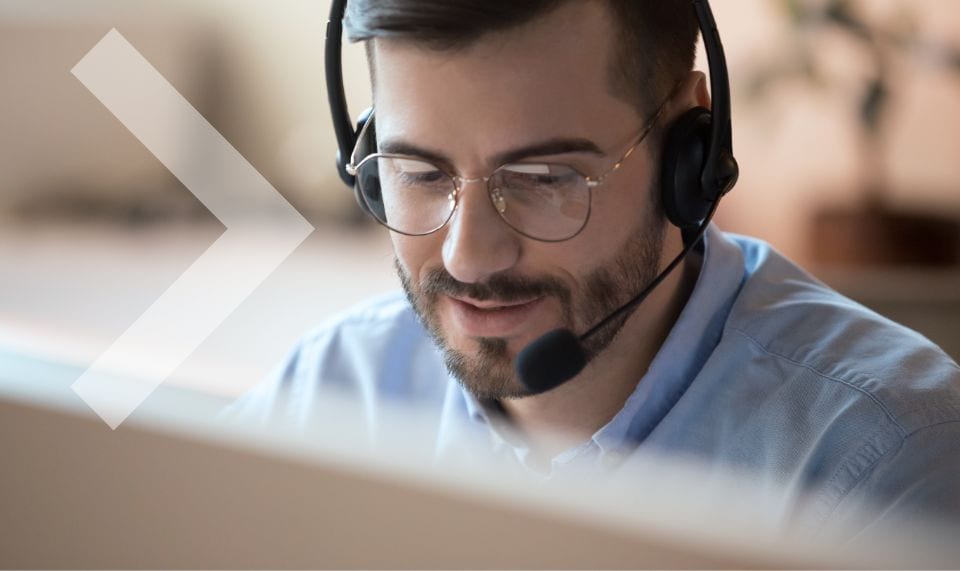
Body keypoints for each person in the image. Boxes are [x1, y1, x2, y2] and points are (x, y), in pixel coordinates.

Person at [229, 0, 960, 536]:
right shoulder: (326, 392)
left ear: (690, 155)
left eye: (544, 177)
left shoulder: (888, 466)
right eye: (416, 171)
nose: (468, 256)